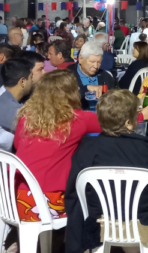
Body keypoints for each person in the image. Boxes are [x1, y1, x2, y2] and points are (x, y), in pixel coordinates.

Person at [64, 90, 148, 253]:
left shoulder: (86, 150)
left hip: (100, 225)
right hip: (145, 225)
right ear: (129, 123)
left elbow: (74, 193)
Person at [12, 70, 102, 221]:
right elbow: (114, 123)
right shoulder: (77, 119)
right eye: (75, 88)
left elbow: (17, 144)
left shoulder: (26, 117)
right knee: (92, 199)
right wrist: (141, 116)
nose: (79, 90)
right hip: (48, 203)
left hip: (14, 198)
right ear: (69, 93)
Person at [0, 59, 35, 151]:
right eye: (31, 77)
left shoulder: (1, 94)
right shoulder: (7, 105)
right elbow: (36, 129)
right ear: (22, 81)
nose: (33, 81)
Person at [67, 40, 116, 109]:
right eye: (92, 62)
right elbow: (63, 95)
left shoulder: (106, 77)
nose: (96, 66)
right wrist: (86, 88)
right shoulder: (67, 75)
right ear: (81, 59)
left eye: (99, 62)